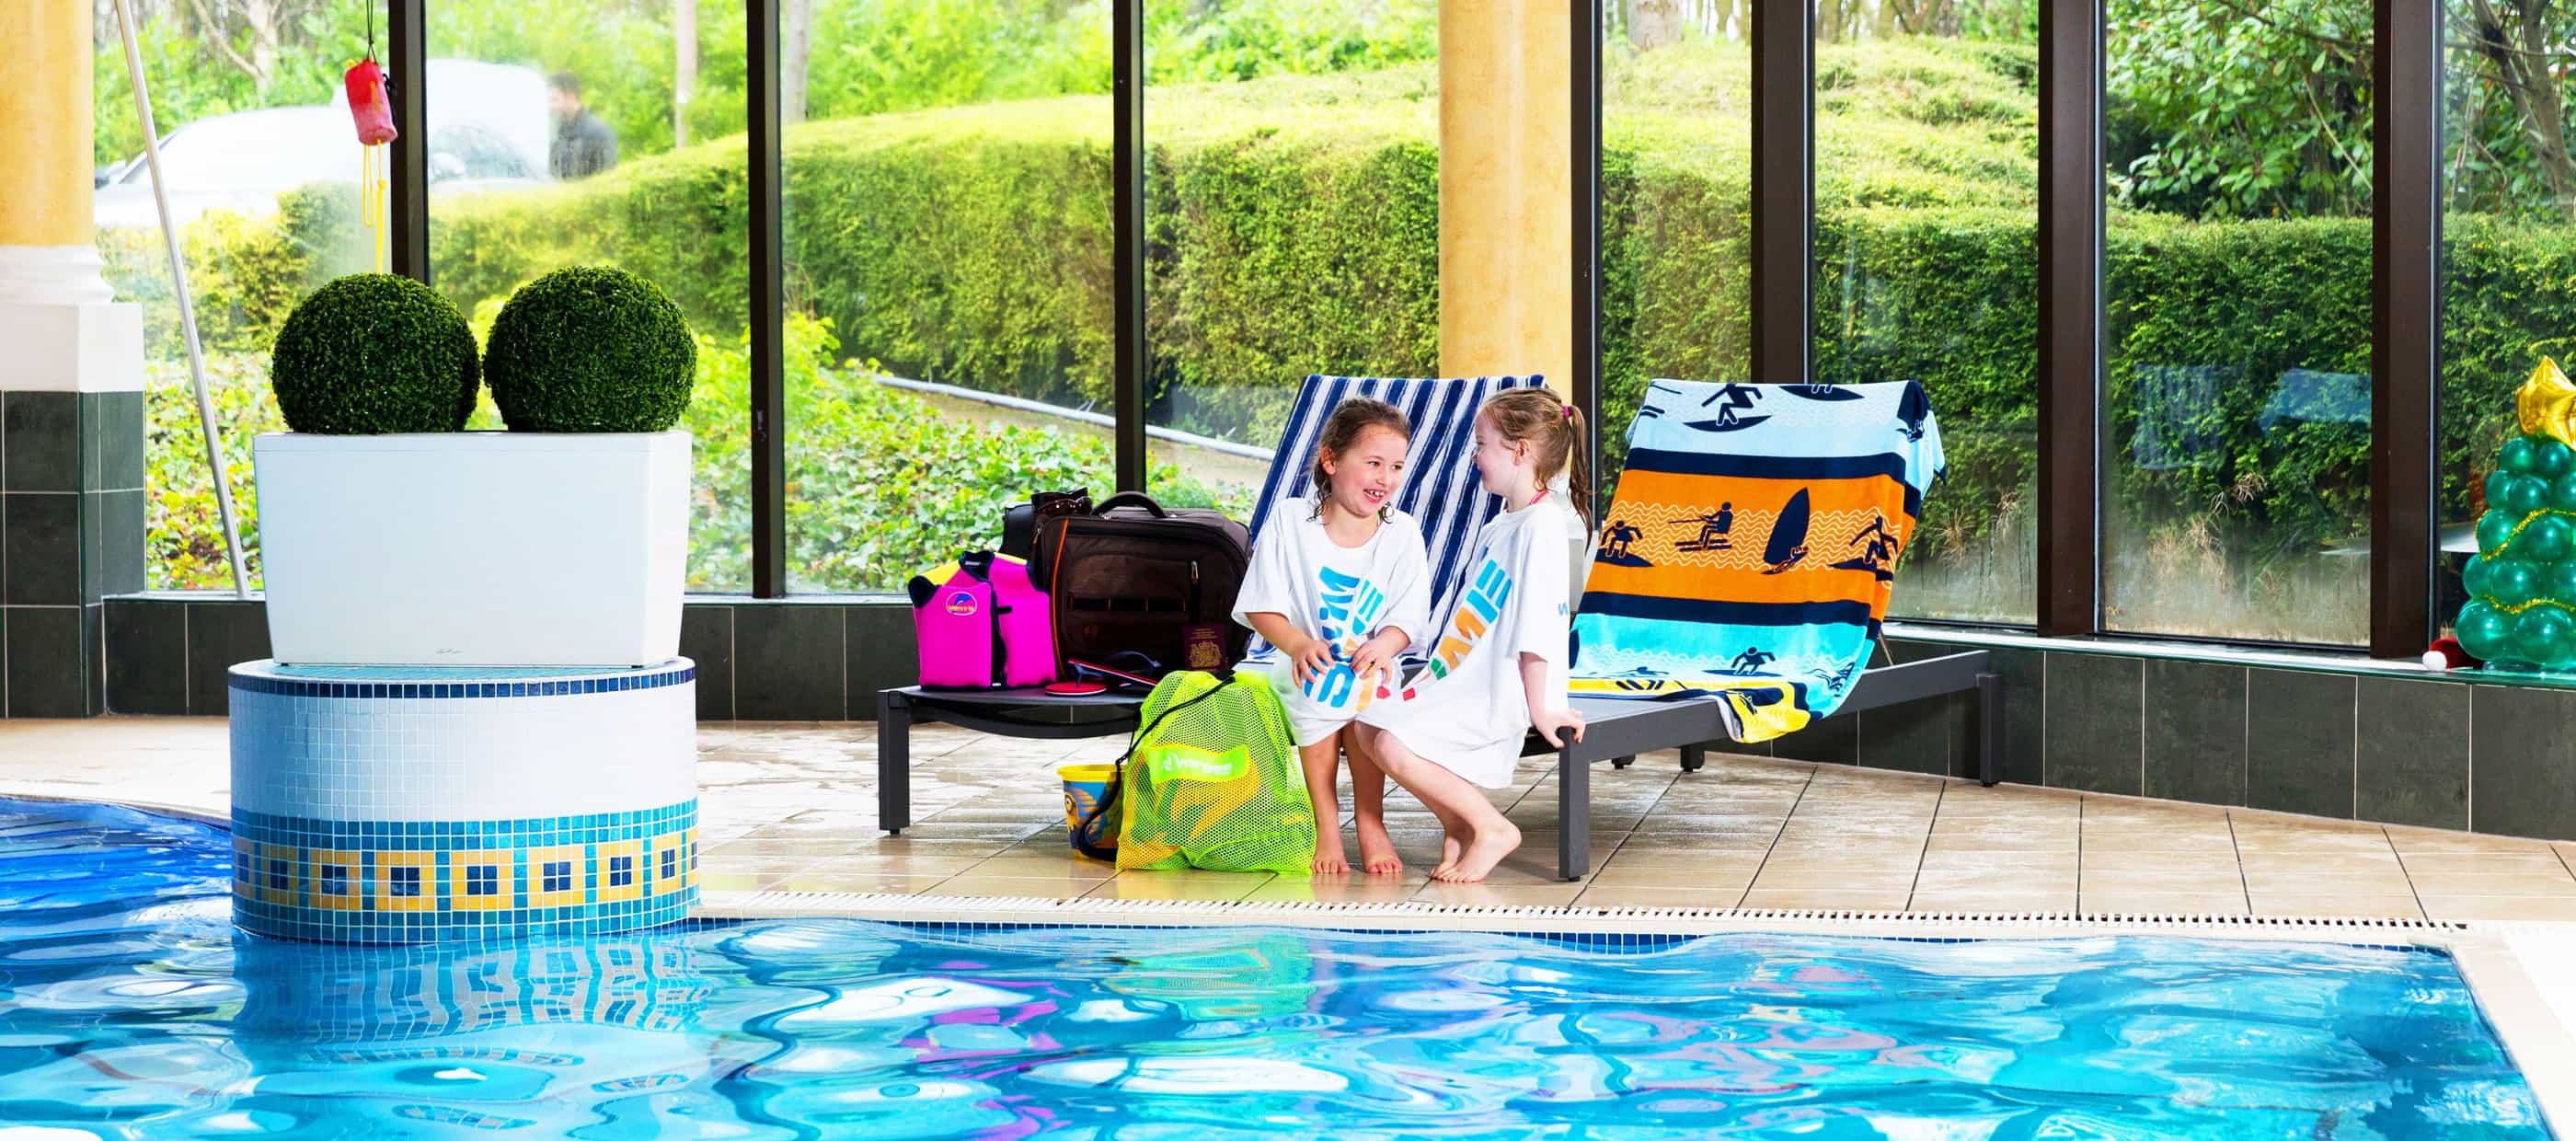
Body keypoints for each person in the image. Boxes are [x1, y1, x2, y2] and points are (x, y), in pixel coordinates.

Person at [1348, 388, 1590, 883]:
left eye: (1482, 445)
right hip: (1460, 676)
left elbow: (1539, 625)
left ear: (1519, 451)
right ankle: (1456, 823)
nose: (1474, 457)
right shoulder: (1505, 523)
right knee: (1365, 725)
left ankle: (1491, 827)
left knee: (1393, 744)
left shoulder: (1542, 525)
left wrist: (1542, 708)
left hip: (1503, 688)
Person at [1232, 398, 1432, 876]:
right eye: (1374, 463)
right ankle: (1327, 824)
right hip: (1306, 661)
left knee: (1370, 696)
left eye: (1397, 467)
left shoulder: (1401, 533)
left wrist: (1385, 644)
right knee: (1318, 688)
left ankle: (1370, 821)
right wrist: (1299, 644)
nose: (1385, 478)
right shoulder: (1290, 521)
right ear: (1331, 460)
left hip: (1372, 664)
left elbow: (1410, 613)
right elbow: (1262, 603)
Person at [547, 72, 618, 180]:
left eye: (554, 100)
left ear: (571, 97)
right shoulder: (558, 133)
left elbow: (608, 182)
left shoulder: (599, 133)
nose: (550, 106)